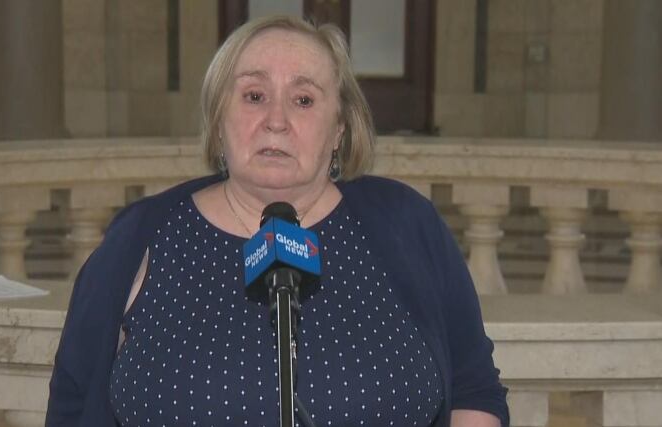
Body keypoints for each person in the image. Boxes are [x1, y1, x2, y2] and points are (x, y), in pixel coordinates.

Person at [46, 15, 509, 427]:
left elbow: (472, 389)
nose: (276, 120)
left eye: (304, 100)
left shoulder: (408, 224)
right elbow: (73, 399)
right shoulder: (142, 236)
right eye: (253, 95)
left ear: (340, 128)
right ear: (218, 118)